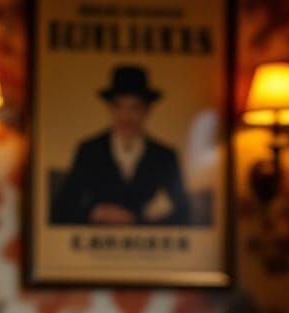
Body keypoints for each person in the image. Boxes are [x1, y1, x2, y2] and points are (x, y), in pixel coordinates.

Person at [51, 65, 191, 227]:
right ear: (110, 108)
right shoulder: (90, 151)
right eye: (119, 106)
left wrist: (143, 219)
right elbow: (62, 210)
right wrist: (95, 212)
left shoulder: (165, 156)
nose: (126, 116)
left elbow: (185, 213)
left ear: (147, 110)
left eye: (135, 107)